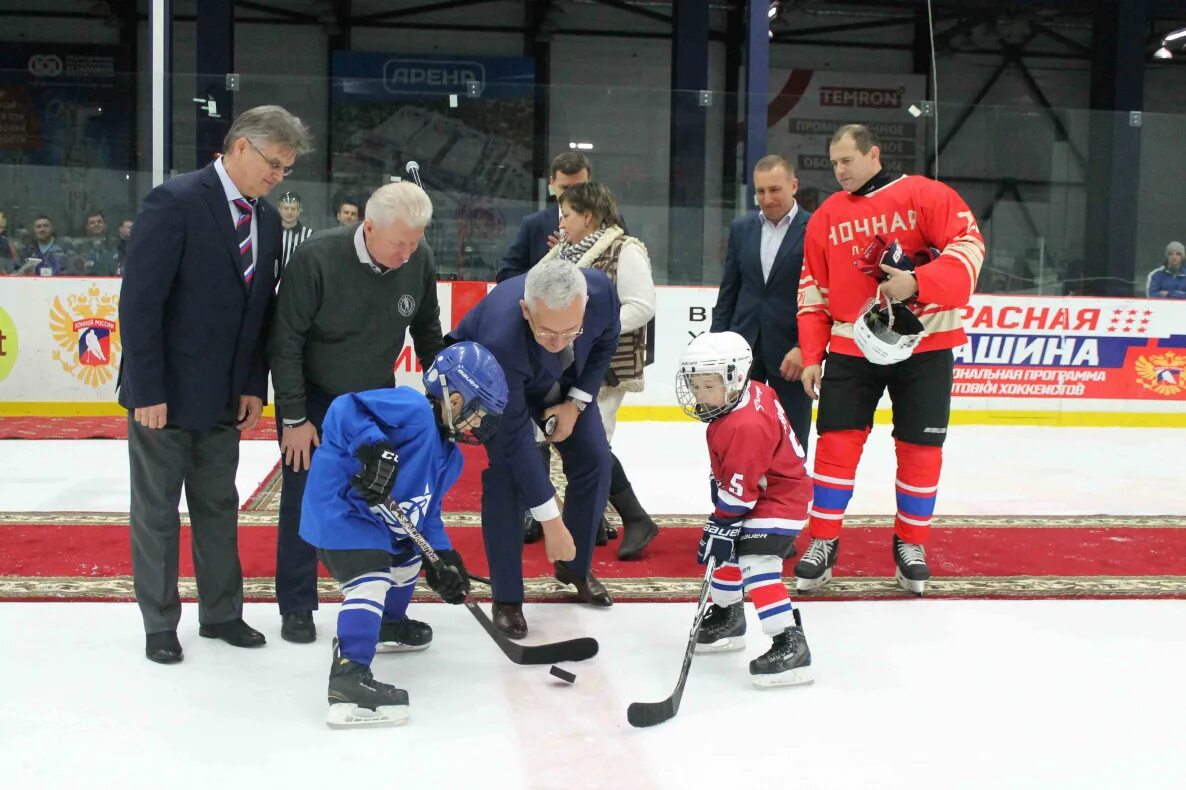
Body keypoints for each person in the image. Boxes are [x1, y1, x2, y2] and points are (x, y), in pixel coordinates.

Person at [118, 104, 312, 664]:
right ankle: (159, 623)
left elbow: (259, 312)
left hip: (225, 398)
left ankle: (222, 613)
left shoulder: (267, 220)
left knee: (219, 507)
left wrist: (253, 384)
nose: (278, 176)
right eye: (273, 164)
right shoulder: (175, 201)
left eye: (286, 169)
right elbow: (140, 304)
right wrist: (148, 390)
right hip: (165, 396)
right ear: (241, 147)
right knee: (157, 513)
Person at [795, 123, 984, 595]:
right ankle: (822, 541)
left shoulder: (924, 194)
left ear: (873, 154)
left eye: (847, 160)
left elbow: (969, 246)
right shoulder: (826, 216)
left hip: (926, 342)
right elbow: (813, 290)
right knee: (835, 446)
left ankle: (911, 545)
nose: (840, 170)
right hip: (851, 343)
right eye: (834, 163)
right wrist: (813, 353)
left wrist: (918, 282)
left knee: (921, 450)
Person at [269, 181, 444, 644]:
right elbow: (285, 341)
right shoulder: (316, 258)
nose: (408, 253)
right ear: (368, 227)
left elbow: (427, 331)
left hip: (373, 400)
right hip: (314, 401)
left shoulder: (418, 259)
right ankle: (297, 605)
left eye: (415, 242)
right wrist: (294, 418)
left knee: (381, 500)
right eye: (399, 243)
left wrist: (444, 393)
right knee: (305, 496)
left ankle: (385, 611)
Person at [300, 341, 508, 728]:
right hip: (341, 511)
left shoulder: (451, 458)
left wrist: (443, 558)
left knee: (411, 556)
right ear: (456, 399)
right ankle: (348, 677)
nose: (479, 426)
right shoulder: (413, 410)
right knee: (371, 578)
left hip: (379, 522)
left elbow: (426, 515)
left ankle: (386, 624)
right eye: (478, 414)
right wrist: (374, 446)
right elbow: (343, 409)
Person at [447, 258, 621, 638]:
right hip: (493, 382)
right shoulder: (501, 337)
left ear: (585, 305)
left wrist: (575, 404)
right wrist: (552, 523)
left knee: (595, 459)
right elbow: (515, 442)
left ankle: (574, 567)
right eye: (548, 332)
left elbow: (606, 343)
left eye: (570, 330)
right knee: (508, 477)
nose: (559, 341)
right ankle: (507, 598)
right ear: (526, 310)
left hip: (562, 381)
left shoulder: (602, 294)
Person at [676, 331, 813, 687]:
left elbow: (741, 494)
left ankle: (790, 644)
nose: (699, 394)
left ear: (735, 377)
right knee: (723, 552)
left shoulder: (745, 425)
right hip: (763, 490)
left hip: (781, 498)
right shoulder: (751, 393)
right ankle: (728, 617)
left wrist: (721, 521)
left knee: (756, 562)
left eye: (709, 385)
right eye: (695, 384)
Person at [535, 181, 660, 560]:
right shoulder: (562, 252)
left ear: (588, 216)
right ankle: (623, 518)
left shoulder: (625, 249)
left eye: (567, 215)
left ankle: (629, 518)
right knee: (585, 444)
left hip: (607, 364)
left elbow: (642, 305)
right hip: (570, 363)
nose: (561, 222)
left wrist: (592, 329)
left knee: (593, 443)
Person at [711, 155, 813, 455]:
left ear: (793, 186)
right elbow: (729, 292)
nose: (767, 199)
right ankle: (737, 484)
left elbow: (822, 294)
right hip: (742, 350)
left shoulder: (815, 228)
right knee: (735, 431)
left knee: (792, 437)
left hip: (791, 354)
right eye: (760, 191)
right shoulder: (741, 228)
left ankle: (789, 486)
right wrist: (716, 346)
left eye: (775, 190)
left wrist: (805, 347)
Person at [495, 152, 592, 283]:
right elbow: (505, 274)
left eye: (579, 188)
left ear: (589, 183)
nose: (572, 195)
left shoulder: (608, 224)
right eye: (565, 187)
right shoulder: (534, 224)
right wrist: (548, 268)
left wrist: (571, 256)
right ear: (552, 183)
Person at [277, 191, 314, 274]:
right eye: (286, 208)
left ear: (299, 210)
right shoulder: (271, 232)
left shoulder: (310, 235)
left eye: (293, 209)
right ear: (279, 209)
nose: (289, 212)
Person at [77, 210, 120, 275]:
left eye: (99, 222)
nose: (96, 224)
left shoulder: (116, 246)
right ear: (87, 227)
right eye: (92, 223)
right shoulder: (81, 248)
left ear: (105, 225)